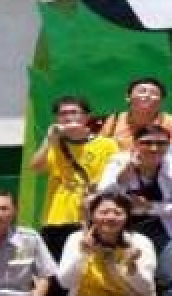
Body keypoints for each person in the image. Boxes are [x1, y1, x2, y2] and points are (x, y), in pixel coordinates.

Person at [97, 124, 172, 296]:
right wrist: (125, 173)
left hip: (159, 227)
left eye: (161, 143)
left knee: (169, 276)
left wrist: (149, 207)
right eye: (147, 142)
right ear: (135, 144)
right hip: (123, 227)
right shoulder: (119, 161)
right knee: (124, 277)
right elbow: (103, 195)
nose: (154, 148)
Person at [30, 96, 118, 266]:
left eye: (74, 112)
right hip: (57, 218)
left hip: (94, 216)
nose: (68, 117)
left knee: (93, 266)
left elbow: (116, 177)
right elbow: (36, 167)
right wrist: (48, 140)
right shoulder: (54, 144)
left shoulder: (107, 144)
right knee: (56, 268)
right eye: (63, 113)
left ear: (86, 117)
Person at [58, 192, 156, 296]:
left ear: (127, 217)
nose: (111, 217)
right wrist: (83, 254)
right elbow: (65, 283)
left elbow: (146, 290)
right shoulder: (77, 238)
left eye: (118, 213)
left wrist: (131, 265)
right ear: (92, 216)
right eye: (104, 212)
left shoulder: (139, 242)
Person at [99, 77, 172, 151]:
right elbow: (100, 146)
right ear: (128, 97)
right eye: (142, 91)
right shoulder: (115, 120)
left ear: (161, 100)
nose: (147, 96)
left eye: (154, 93)